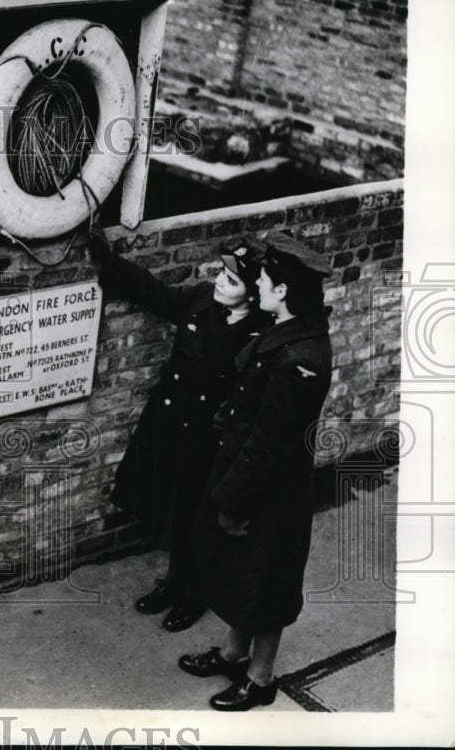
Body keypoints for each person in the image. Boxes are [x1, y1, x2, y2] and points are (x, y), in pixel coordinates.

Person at [180, 231, 333, 711]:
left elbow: (271, 442)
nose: (258, 284)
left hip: (270, 488)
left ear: (283, 289)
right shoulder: (287, 326)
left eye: (264, 278)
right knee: (246, 574)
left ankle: (261, 679)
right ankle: (232, 653)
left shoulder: (301, 357)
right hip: (253, 475)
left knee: (267, 582)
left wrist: (233, 501)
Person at [89, 225, 268, 632]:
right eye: (222, 274)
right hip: (170, 426)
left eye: (232, 280)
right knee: (170, 509)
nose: (219, 282)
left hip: (207, 439)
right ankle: (174, 584)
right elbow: (159, 295)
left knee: (195, 520)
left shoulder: (257, 335)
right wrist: (110, 262)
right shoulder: (203, 299)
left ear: (253, 294)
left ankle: (194, 595)